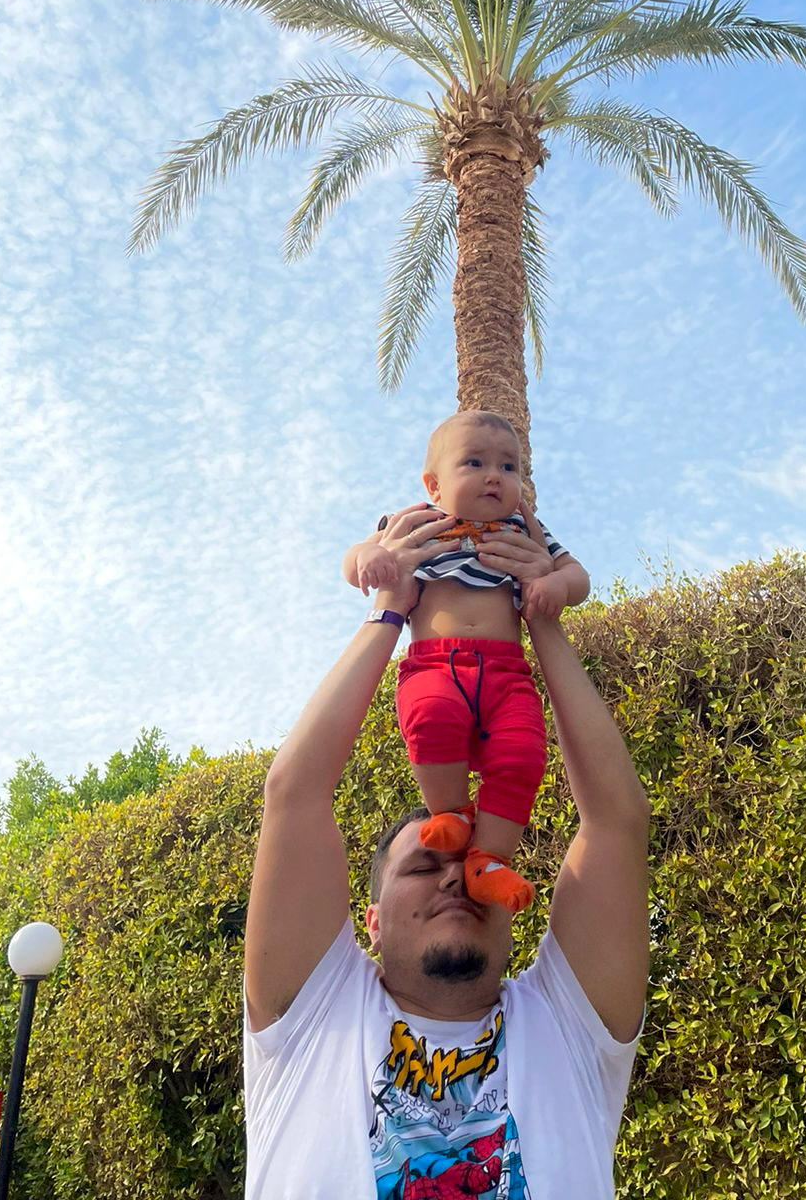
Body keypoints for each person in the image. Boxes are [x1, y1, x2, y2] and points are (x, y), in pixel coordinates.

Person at [244, 509, 650, 1198]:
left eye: (466, 867)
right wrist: (389, 611)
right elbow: (294, 793)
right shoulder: (312, 1014)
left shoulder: (569, 1026)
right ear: (369, 923)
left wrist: (537, 615)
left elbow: (617, 823)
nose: (454, 879)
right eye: (423, 865)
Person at [340, 411, 590, 914]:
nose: (494, 476)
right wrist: (367, 559)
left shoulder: (525, 529)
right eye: (474, 462)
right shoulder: (416, 524)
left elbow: (577, 575)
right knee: (429, 721)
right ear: (433, 484)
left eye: (509, 466)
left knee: (523, 754)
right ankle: (450, 810)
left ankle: (490, 859)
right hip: (436, 664)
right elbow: (358, 555)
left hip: (507, 671)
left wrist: (555, 586)